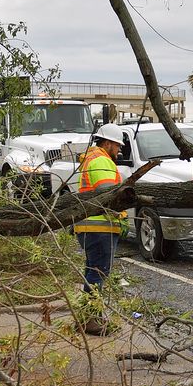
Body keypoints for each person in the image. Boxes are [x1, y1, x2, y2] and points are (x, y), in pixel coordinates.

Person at [73, 123, 128, 296]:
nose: (119, 150)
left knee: (92, 270)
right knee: (98, 273)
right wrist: (121, 215)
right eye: (118, 145)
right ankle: (92, 318)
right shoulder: (102, 161)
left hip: (90, 227)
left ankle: (88, 316)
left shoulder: (91, 159)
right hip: (100, 228)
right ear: (107, 143)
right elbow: (109, 197)